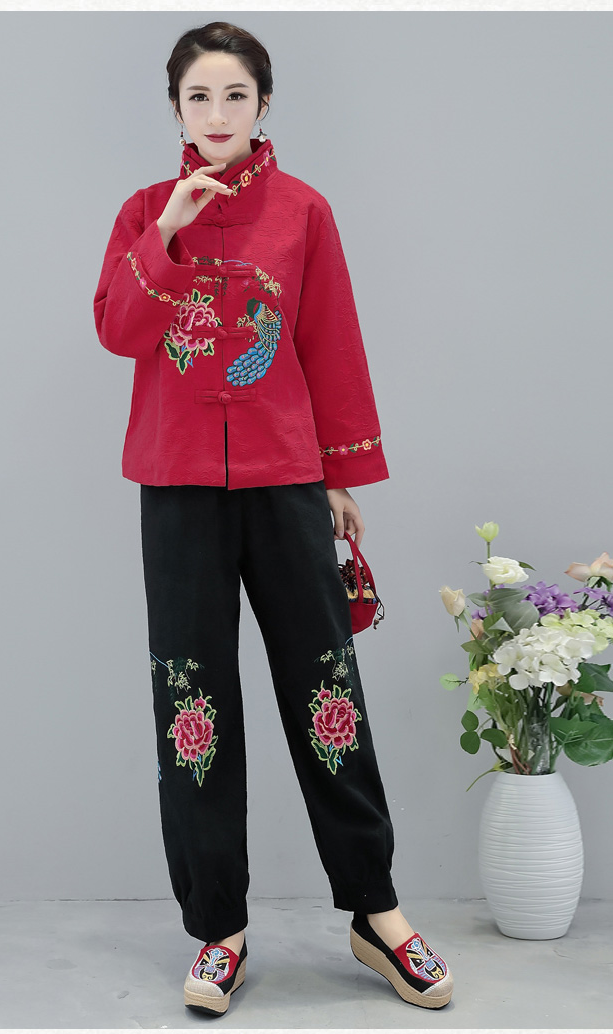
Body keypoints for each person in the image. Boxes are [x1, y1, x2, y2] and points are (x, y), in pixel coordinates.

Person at [93, 20, 453, 1018]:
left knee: (324, 686)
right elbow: (118, 330)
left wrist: (342, 475)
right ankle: (220, 928)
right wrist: (168, 232)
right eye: (199, 97)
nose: (217, 114)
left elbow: (329, 342)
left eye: (236, 96)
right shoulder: (142, 213)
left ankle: (375, 909)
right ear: (176, 109)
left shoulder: (303, 212)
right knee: (193, 706)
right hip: (177, 489)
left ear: (262, 105)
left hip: (287, 478)